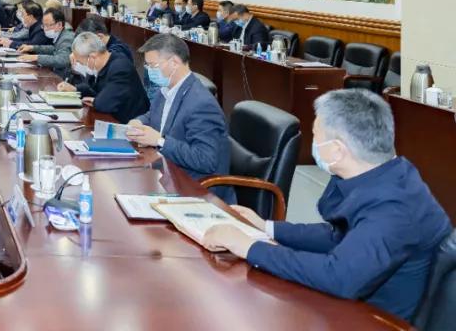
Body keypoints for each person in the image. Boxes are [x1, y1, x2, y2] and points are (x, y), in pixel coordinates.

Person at [202, 89, 451, 322]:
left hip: (373, 320)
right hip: (354, 304)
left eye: (316, 136)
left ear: (337, 151)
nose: (314, 144)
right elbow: (338, 236)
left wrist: (249, 247)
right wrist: (267, 227)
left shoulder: (394, 207)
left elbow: (339, 277)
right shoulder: (385, 174)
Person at [126, 34, 233, 202]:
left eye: (153, 65)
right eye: (147, 66)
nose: (149, 71)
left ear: (174, 62)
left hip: (195, 189)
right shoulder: (166, 90)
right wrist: (138, 122)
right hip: (168, 174)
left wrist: (160, 141)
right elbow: (153, 115)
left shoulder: (201, 104)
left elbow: (206, 159)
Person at [68, 32, 149, 123]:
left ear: (92, 57)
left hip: (132, 124)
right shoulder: (100, 66)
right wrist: (76, 89)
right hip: (112, 119)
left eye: (80, 62)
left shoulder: (120, 68)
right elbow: (93, 91)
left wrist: (95, 101)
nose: (80, 65)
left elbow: (104, 103)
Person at [18, 6, 75, 75]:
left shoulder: (66, 38)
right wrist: (32, 48)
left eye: (47, 25)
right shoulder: (61, 35)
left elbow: (62, 60)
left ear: (59, 25)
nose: (45, 29)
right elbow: (54, 49)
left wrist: (36, 57)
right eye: (44, 25)